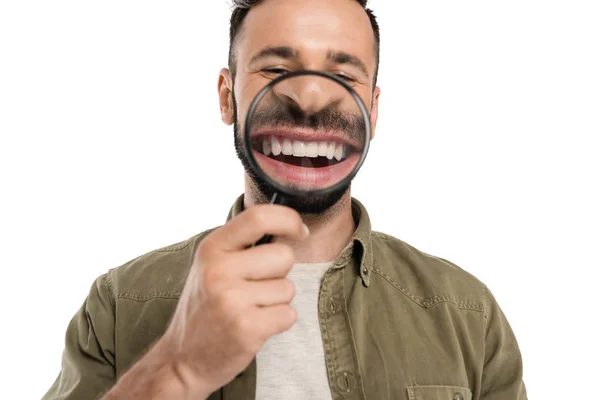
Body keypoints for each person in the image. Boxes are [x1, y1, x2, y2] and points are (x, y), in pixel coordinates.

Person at [43, 0, 527, 399]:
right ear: (227, 96)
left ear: (373, 110)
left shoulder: (468, 314)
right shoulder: (118, 306)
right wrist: (176, 370)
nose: (312, 99)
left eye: (344, 75)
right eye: (276, 68)